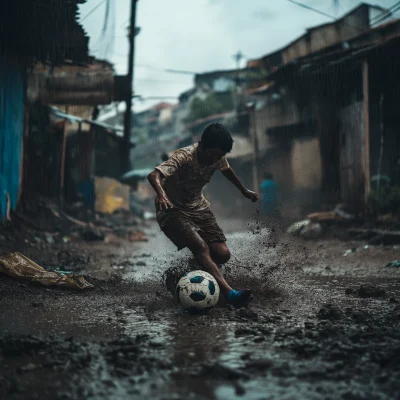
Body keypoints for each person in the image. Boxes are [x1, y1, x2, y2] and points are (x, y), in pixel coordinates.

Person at [148, 123, 258, 308]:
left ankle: (181, 275)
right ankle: (229, 293)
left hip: (199, 208)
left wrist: (244, 190)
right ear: (201, 145)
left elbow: (226, 169)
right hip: (172, 209)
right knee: (200, 246)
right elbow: (154, 175)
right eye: (212, 155)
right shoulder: (183, 156)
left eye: (219, 156)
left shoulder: (217, 156)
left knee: (222, 254)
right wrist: (161, 194)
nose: (214, 159)